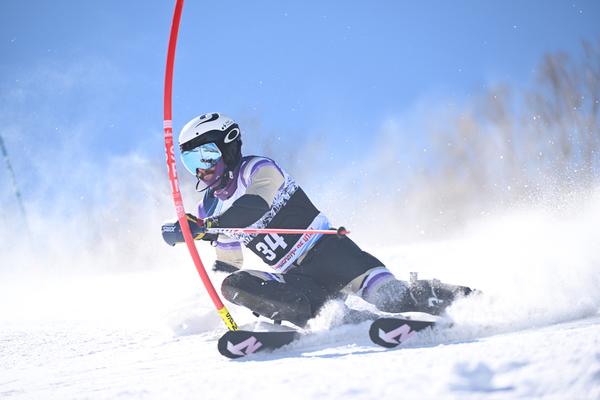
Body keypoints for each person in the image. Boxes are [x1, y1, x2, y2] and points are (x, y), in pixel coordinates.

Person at [162, 112, 472, 327]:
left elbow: (254, 206)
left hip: (330, 253)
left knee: (391, 298)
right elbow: (230, 261)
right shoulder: (211, 206)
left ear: (229, 147)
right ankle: (346, 321)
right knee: (234, 285)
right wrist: (187, 234)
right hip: (298, 280)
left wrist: (206, 227)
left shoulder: (258, 170)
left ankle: (465, 302)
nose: (201, 169)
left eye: (205, 156)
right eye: (191, 162)